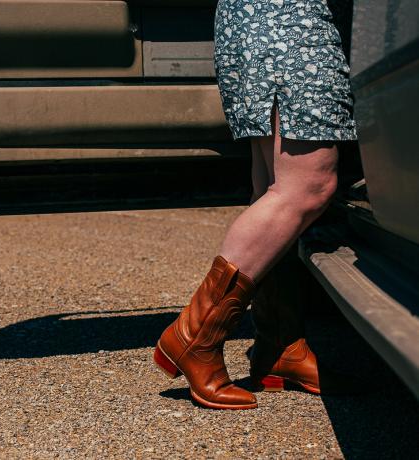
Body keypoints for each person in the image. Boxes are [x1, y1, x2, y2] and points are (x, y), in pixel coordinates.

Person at [153, 0, 357, 409]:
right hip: (291, 24)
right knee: (306, 186)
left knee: (273, 190)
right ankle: (194, 336)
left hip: (259, 21)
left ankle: (280, 346)